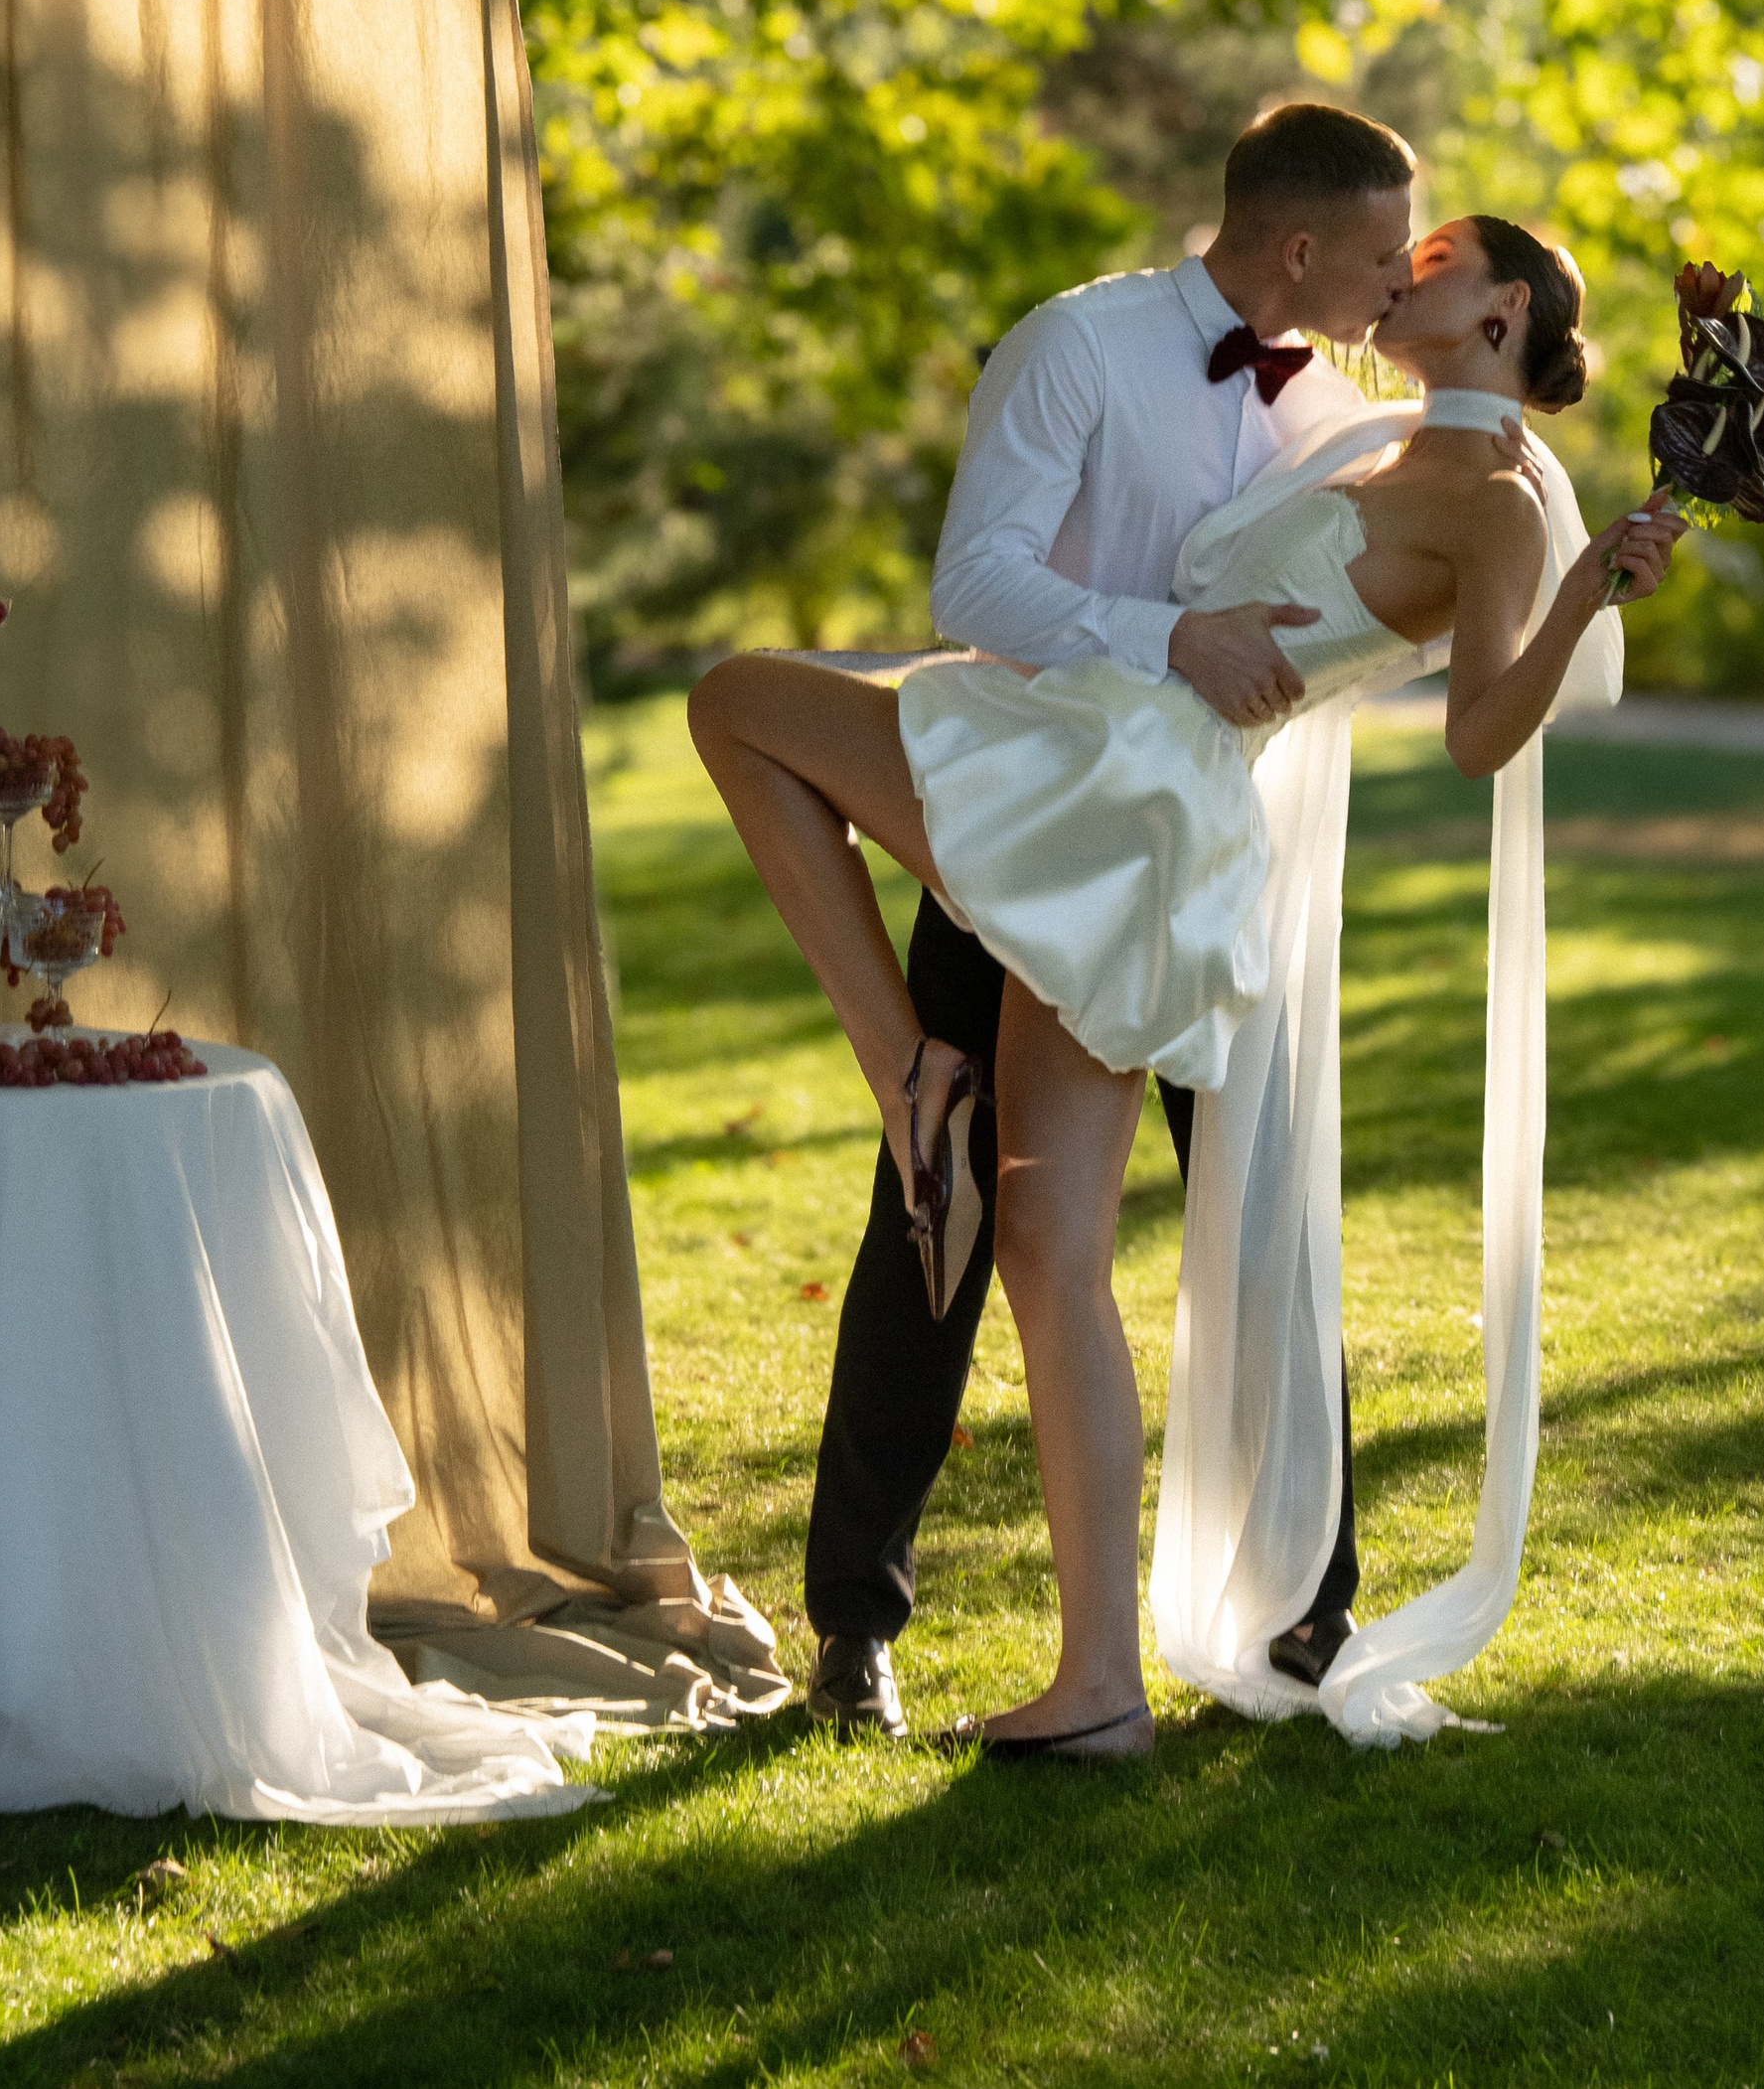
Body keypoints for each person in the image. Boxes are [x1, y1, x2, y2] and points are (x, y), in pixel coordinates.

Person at [690, 202, 1683, 1756]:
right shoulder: (1349, 426)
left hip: (1137, 808)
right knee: (1035, 1231)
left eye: (1438, 261)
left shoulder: (1497, 498)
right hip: (1103, 761)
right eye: (1393, 249)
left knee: (745, 704)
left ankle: (914, 1080)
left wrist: (1585, 585)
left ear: (1499, 320)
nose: (1404, 267)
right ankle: (1088, 1684)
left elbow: (1485, 729)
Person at [780, 102, 1426, 1746]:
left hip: (1214, 870)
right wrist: (1166, 638)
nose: (1395, 275)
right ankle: (857, 1620)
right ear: (1296, 246)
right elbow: (974, 586)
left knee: (1264, 1218)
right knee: (937, 1216)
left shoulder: (1350, 418)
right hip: (1022, 832)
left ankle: (1307, 1607)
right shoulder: (1076, 345)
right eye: (1375, 249)